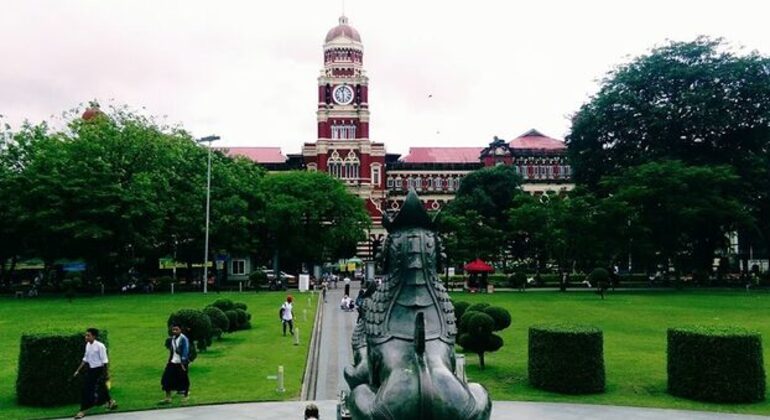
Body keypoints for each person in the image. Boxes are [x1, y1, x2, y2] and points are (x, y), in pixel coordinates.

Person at [72, 328, 117, 419]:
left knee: (86, 390)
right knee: (101, 387)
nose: (86, 337)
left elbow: (105, 361)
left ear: (94, 336)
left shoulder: (100, 346)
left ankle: (82, 411)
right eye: (86, 335)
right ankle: (111, 402)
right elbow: (85, 359)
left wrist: (106, 374)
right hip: (91, 370)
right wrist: (78, 370)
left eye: (88, 335)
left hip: (99, 370)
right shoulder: (88, 345)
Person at [160, 323, 190, 404]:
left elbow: (185, 351)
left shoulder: (184, 339)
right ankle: (168, 398)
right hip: (173, 362)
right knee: (166, 379)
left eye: (177, 329)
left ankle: (186, 396)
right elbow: (172, 351)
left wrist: (183, 364)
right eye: (173, 329)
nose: (175, 331)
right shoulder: (173, 338)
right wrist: (169, 360)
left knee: (183, 380)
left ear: (180, 330)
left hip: (181, 363)